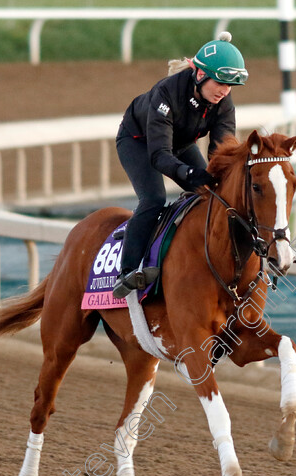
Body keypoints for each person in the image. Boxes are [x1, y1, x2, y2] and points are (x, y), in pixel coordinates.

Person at [112, 31, 249, 299]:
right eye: (220, 83)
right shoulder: (166, 93)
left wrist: (226, 176)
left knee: (211, 192)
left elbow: (221, 151)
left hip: (181, 142)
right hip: (140, 142)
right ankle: (127, 270)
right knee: (154, 198)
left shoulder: (223, 102)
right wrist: (188, 173)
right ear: (200, 75)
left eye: (230, 86)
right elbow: (160, 155)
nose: (224, 91)